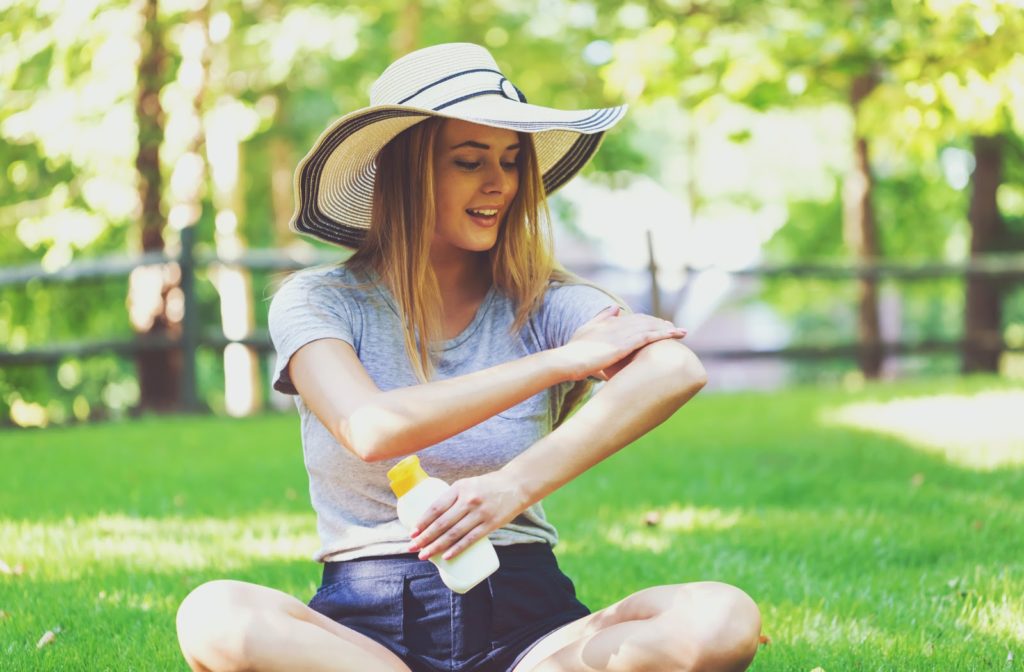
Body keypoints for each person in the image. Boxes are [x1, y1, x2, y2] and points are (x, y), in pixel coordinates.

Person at [175, 43, 761, 672]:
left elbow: (675, 368)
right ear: (405, 171)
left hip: (532, 630)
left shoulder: (549, 303)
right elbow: (370, 428)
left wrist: (509, 488)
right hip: (366, 639)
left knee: (722, 617)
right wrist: (558, 364)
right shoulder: (318, 301)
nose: (498, 183)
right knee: (213, 614)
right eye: (468, 160)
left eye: (511, 161)